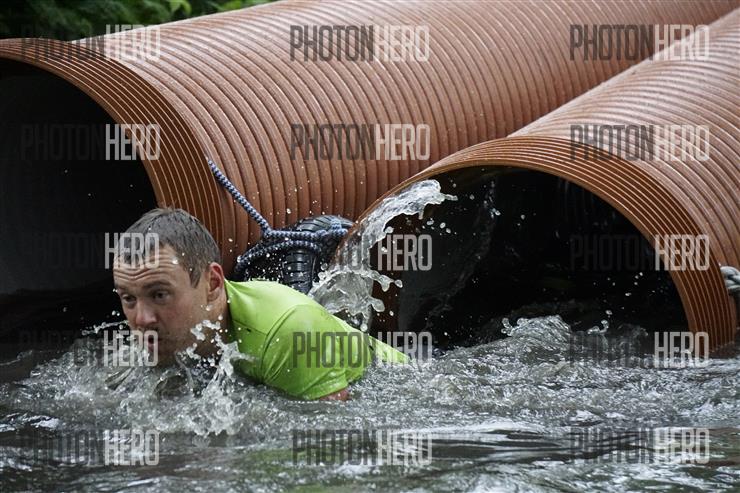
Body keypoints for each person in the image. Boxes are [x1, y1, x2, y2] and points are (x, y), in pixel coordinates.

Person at [112, 208, 407, 401]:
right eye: (128, 299)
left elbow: (333, 447)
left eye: (159, 295)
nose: (142, 319)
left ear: (212, 284)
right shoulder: (165, 333)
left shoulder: (288, 331)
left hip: (396, 386)